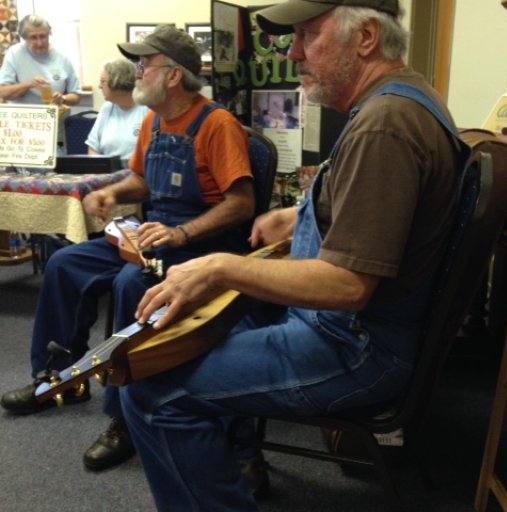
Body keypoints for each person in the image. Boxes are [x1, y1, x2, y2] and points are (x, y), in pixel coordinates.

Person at [118, 1, 472, 511]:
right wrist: (306, 212)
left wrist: (221, 265)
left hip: (354, 347)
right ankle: (239, 456)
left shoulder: (384, 126)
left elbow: (348, 288)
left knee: (152, 395)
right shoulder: (408, 98)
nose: (294, 51)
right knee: (213, 327)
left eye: (308, 35)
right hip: (358, 330)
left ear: (366, 37)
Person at [0, 24, 255, 477]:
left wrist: (182, 235)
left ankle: (122, 417)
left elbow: (241, 204)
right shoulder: (155, 121)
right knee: (63, 263)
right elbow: (141, 179)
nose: (136, 72)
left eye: (144, 64)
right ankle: (57, 378)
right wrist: (114, 194)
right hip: (152, 234)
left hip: (204, 244)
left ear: (173, 75)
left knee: (129, 282)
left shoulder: (217, 124)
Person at [0, 15, 81, 151]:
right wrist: (28, 85)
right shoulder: (14, 54)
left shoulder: (63, 58)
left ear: (49, 34)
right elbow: (3, 92)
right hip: (22, 135)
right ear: (24, 38)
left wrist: (63, 98)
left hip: (55, 135)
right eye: (33, 37)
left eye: (43, 36)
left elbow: (76, 95)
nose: (39, 42)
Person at [86, 58, 149, 167]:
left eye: (103, 81)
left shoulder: (147, 109)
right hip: (108, 173)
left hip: (137, 174)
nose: (99, 86)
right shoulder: (107, 108)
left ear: (118, 81)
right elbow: (92, 149)